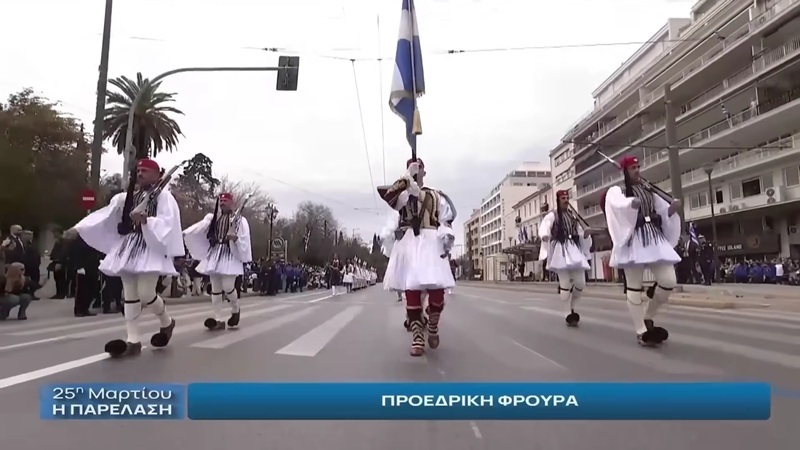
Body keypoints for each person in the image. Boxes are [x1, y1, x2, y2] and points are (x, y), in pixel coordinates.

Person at [70, 158, 184, 357]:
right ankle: (133, 340)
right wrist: (80, 227)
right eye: (139, 170)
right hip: (129, 246)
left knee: (147, 293)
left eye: (146, 170)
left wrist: (148, 220)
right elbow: (106, 216)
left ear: (157, 175)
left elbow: (168, 222)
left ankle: (167, 321)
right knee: (130, 295)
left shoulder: (164, 197)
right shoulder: (126, 197)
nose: (140, 173)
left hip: (149, 246)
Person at [379, 158, 456, 357]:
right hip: (410, 244)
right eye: (413, 167)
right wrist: (406, 177)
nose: (416, 170)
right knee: (411, 289)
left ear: (424, 171)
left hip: (431, 242)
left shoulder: (435, 195)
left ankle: (433, 324)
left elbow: (445, 218)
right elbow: (389, 197)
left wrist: (446, 236)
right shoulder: (403, 195)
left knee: (437, 288)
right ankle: (417, 336)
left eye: (419, 167)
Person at [602, 155, 681, 347]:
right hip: (633, 239)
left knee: (669, 281)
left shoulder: (647, 188)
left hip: (653, 238)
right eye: (633, 168)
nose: (637, 170)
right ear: (625, 171)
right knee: (634, 287)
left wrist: (671, 210)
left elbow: (661, 210)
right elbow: (616, 204)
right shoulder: (618, 190)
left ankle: (648, 316)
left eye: (638, 167)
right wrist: (630, 204)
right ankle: (640, 330)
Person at [183, 192, 252, 331]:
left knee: (228, 286)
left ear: (232, 203)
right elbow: (200, 227)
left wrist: (236, 239)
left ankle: (235, 309)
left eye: (225, 201)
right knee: (215, 288)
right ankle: (218, 319)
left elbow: (244, 237)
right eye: (220, 201)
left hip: (230, 254)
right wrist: (186, 232)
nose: (222, 203)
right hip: (215, 253)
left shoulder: (239, 220)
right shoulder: (213, 218)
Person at [538, 190, 593, 327]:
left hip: (573, 249)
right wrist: (544, 235)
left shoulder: (573, 216)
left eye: (567, 198)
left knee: (580, 283)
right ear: (558, 200)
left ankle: (572, 306)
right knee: (565, 284)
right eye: (563, 198)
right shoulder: (553, 215)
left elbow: (579, 232)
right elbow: (544, 226)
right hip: (560, 250)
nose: (565, 200)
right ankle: (567, 312)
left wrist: (585, 235)